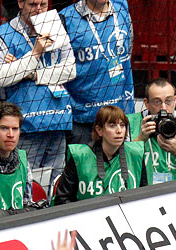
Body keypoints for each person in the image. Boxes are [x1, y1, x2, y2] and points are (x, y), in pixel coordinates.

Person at [0, 0, 76, 195]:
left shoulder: (56, 27)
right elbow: (3, 78)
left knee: (56, 183)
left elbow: (70, 71)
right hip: (27, 125)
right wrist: (35, 52)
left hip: (57, 119)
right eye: (33, 4)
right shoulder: (2, 34)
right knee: (28, 182)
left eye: (43, 4)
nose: (39, 9)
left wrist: (30, 72)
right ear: (20, 3)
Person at [60, 0, 134, 146]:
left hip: (118, 117)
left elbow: (127, 52)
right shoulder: (65, 19)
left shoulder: (122, 10)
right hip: (81, 120)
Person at [53, 105, 147, 205]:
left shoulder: (136, 153)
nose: (119, 130)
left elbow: (144, 196)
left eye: (122, 125)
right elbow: (62, 199)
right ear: (99, 130)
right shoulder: (80, 156)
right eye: (112, 125)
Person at [128, 78, 176, 184]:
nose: (163, 108)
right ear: (146, 103)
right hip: (142, 190)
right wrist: (140, 139)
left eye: (168, 101)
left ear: (175, 101)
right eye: (157, 102)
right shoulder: (130, 123)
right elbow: (121, 166)